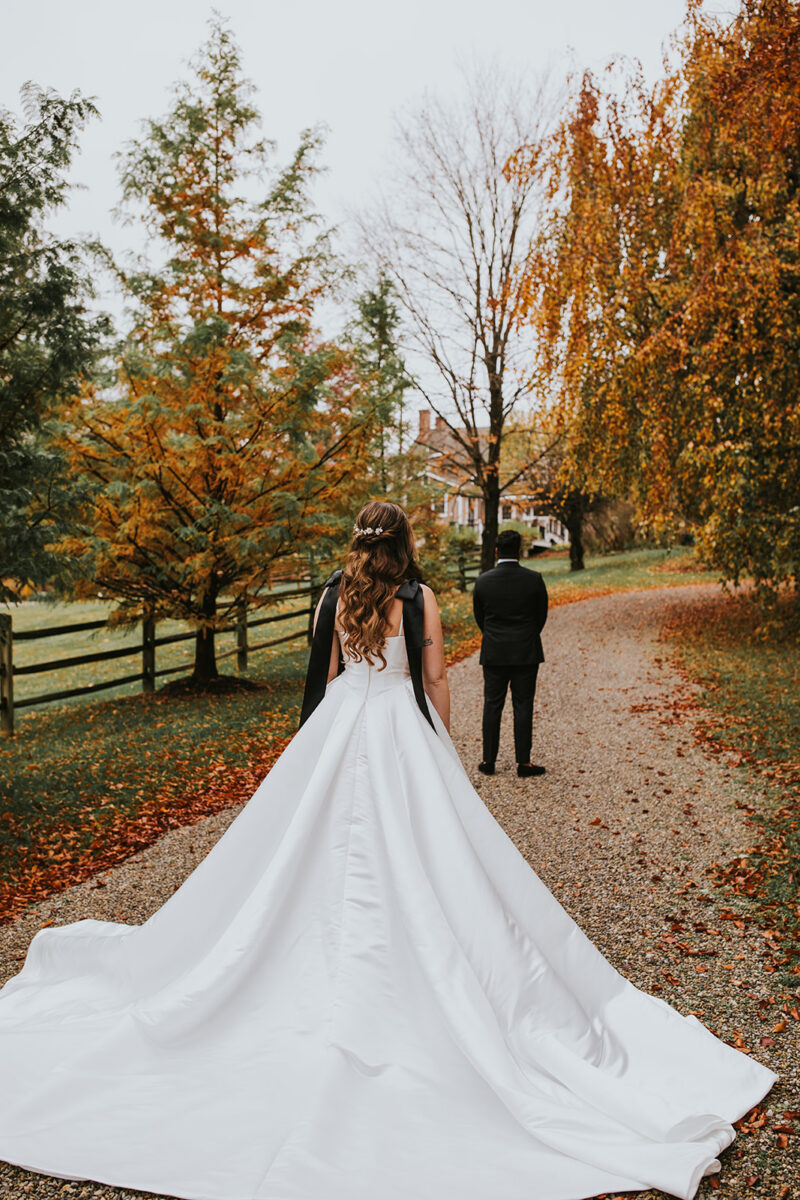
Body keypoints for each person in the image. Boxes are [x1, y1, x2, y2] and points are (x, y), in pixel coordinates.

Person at [0, 500, 776, 1200]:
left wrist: (313, 743)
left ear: (357, 543)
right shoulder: (422, 598)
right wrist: (439, 744)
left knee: (308, 854)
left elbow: (324, 675)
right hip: (397, 729)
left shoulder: (333, 597)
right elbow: (436, 677)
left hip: (343, 723)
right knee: (428, 856)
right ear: (404, 545)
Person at [472, 528, 548, 777]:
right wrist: (526, 634)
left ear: (496, 551)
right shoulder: (534, 579)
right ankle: (524, 763)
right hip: (525, 651)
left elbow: (480, 617)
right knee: (523, 704)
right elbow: (541, 616)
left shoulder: (483, 581)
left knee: (492, 705)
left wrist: (494, 635)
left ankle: (488, 761)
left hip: (494, 651)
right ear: (518, 551)